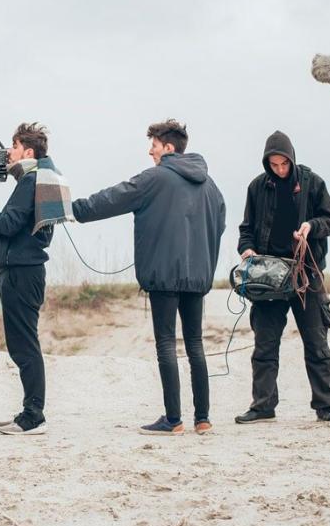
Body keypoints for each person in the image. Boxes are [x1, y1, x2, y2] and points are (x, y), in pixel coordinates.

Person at [71, 119, 225, 435]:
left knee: (166, 343)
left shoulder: (154, 179)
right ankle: (203, 419)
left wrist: (71, 209)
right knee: (195, 343)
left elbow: (112, 198)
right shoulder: (211, 187)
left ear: (168, 148)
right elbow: (219, 226)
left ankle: (173, 420)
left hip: (164, 275)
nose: (149, 151)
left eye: (153, 145)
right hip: (197, 277)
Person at [0, 122, 67, 435]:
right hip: (21, 272)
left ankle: (34, 417)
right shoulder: (35, 181)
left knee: (25, 347)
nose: (8, 152)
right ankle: (29, 411)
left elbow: (7, 224)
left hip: (22, 274)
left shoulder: (31, 181)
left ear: (28, 151)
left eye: (13, 145)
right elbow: (9, 228)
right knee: (22, 345)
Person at [235, 130, 330, 424]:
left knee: (316, 342)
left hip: (306, 274)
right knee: (265, 344)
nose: (279, 169)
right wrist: (247, 249)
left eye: (284, 164)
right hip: (269, 276)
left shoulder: (313, 183)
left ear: (292, 160)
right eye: (274, 165)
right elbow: (245, 228)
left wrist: (310, 226)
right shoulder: (256, 187)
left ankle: (326, 405)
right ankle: (263, 405)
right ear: (267, 163)